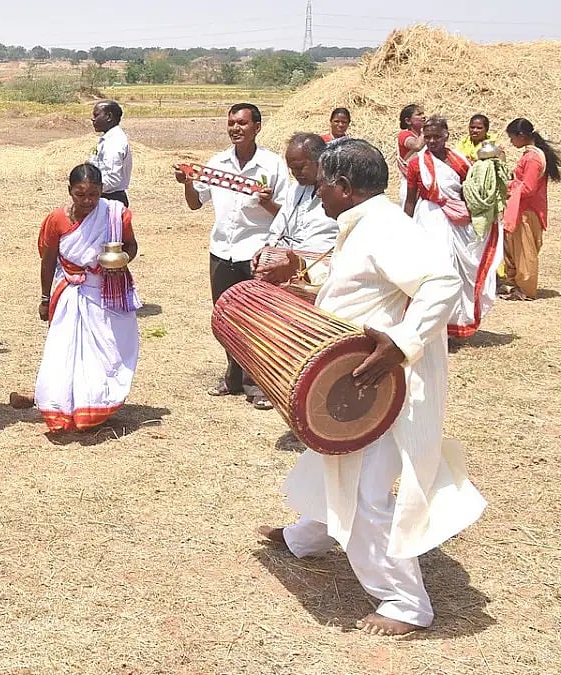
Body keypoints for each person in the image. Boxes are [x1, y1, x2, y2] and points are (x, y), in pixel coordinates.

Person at [257, 138, 485, 637]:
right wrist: (307, 290)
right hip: (357, 378)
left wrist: (401, 344)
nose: (317, 193)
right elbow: (364, 292)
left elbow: (441, 282)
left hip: (382, 385)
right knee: (330, 459)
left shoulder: (384, 228)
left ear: (342, 185)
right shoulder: (362, 225)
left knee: (364, 489)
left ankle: (404, 603)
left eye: (322, 184)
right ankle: (309, 536)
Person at [175, 102, 288, 410]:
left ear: (257, 127)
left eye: (242, 123)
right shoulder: (217, 163)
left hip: (256, 253)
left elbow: (285, 216)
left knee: (258, 319)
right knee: (226, 317)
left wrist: (266, 204)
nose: (235, 128)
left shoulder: (273, 165)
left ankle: (259, 383)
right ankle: (233, 376)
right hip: (222, 251)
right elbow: (196, 203)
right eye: (231, 123)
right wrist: (187, 184)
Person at [33, 163, 139, 432]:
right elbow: (47, 262)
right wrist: (45, 298)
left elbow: (131, 246)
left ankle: (98, 405)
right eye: (80, 195)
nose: (87, 201)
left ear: (102, 191)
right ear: (70, 191)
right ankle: (64, 407)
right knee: (66, 351)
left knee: (108, 349)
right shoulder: (57, 219)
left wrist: (116, 260)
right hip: (70, 293)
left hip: (106, 292)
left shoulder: (115, 215)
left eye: (93, 194)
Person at [404, 116, 499, 340]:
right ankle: (431, 328)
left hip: (457, 222)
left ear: (447, 135)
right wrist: (404, 228)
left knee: (456, 272)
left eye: (437, 136)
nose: (432, 141)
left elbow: (471, 190)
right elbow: (410, 199)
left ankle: (451, 326)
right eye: (427, 137)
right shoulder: (417, 163)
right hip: (429, 218)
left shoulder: (460, 161)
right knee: (436, 270)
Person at [501, 118, 559, 301]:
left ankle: (525, 289)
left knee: (525, 251)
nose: (511, 142)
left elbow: (528, 188)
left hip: (528, 210)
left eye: (512, 138)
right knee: (515, 248)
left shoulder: (533, 158)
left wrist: (506, 186)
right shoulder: (530, 155)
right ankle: (516, 284)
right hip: (522, 208)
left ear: (522, 136)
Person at [262, 134, 338, 255]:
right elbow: (278, 229)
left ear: (321, 161)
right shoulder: (295, 189)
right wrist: (268, 251)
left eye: (299, 167)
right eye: (291, 168)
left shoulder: (339, 194)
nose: (295, 173)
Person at [89, 100, 133, 206]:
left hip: (110, 199)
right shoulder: (107, 139)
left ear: (108, 117)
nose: (93, 119)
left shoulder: (114, 142)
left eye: (96, 115)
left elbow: (112, 179)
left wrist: (88, 189)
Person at [396, 104, 426, 205]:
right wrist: (425, 131)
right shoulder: (404, 135)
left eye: (423, 114)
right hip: (409, 186)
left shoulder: (425, 137)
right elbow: (417, 146)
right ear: (408, 121)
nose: (423, 117)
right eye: (419, 114)